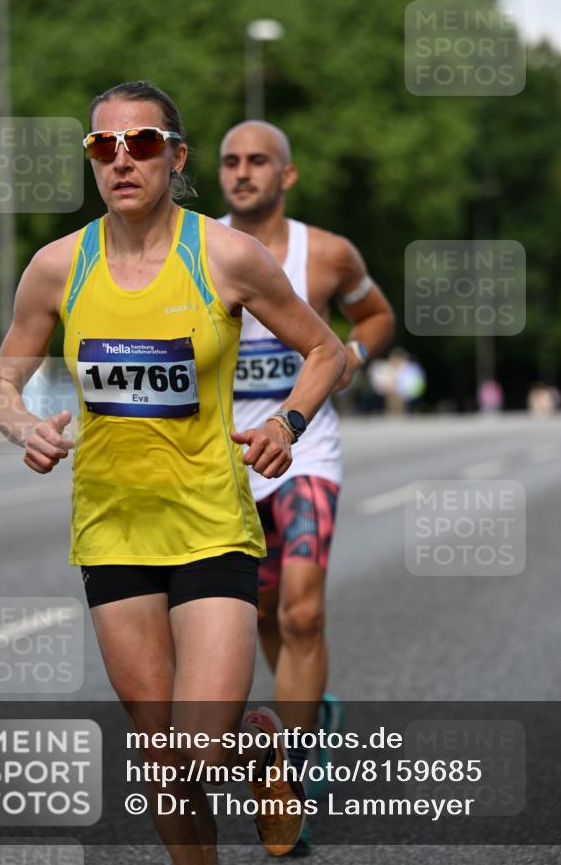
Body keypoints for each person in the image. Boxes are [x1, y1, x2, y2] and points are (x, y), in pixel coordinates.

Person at [0, 82, 346, 864]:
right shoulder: (57, 267)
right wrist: (26, 427)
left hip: (211, 520)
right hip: (114, 528)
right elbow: (0, 385)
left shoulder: (224, 255)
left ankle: (260, 751)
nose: (121, 159)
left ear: (175, 159)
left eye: (141, 143)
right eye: (102, 146)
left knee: (201, 749)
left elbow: (329, 351)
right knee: (163, 762)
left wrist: (286, 421)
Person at [218, 120, 394, 851]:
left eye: (258, 161)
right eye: (230, 161)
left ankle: (292, 765)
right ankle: (308, 710)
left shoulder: (325, 253)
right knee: (261, 610)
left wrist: (351, 352)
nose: (242, 172)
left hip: (305, 450)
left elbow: (376, 314)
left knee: (300, 610)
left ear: (285, 175)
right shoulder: (200, 249)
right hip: (225, 460)